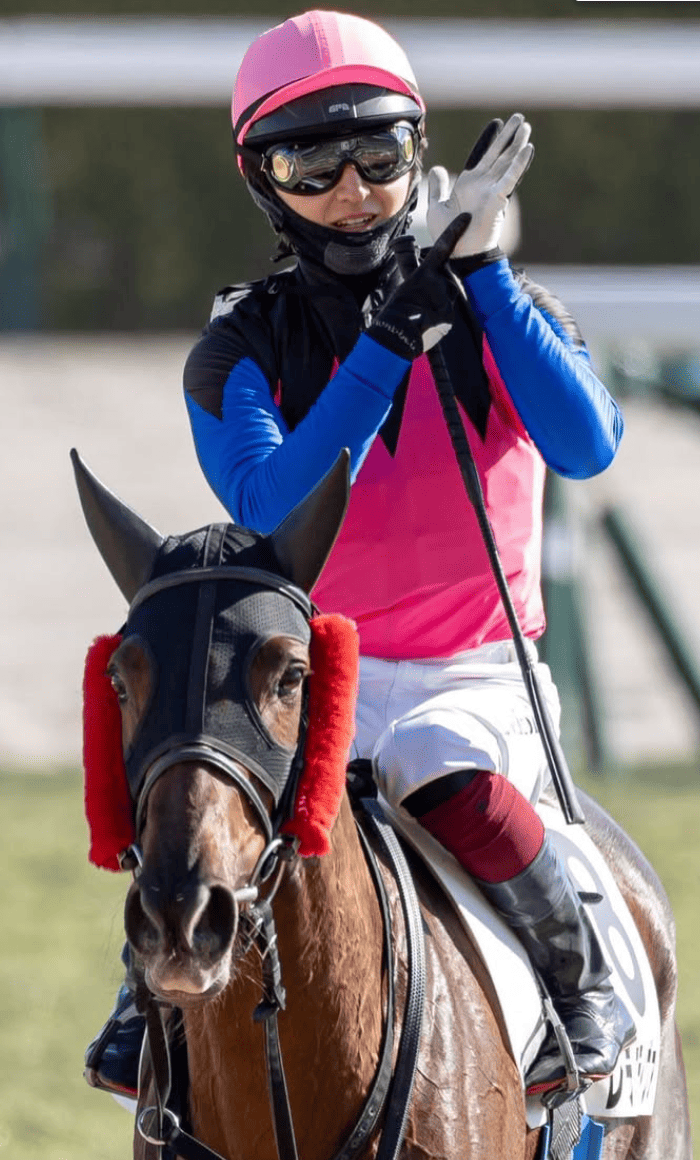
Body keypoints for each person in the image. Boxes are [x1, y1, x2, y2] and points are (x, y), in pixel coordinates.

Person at [86, 9, 634, 1100]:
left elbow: (587, 444)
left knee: (433, 758)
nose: (353, 192)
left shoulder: (502, 306)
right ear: (262, 179)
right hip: (317, 673)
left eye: (378, 157)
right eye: (312, 166)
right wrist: (387, 343)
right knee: (204, 785)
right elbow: (269, 497)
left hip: (480, 671)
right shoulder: (236, 348)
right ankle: (147, 991)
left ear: (416, 153)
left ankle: (586, 985)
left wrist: (485, 276)